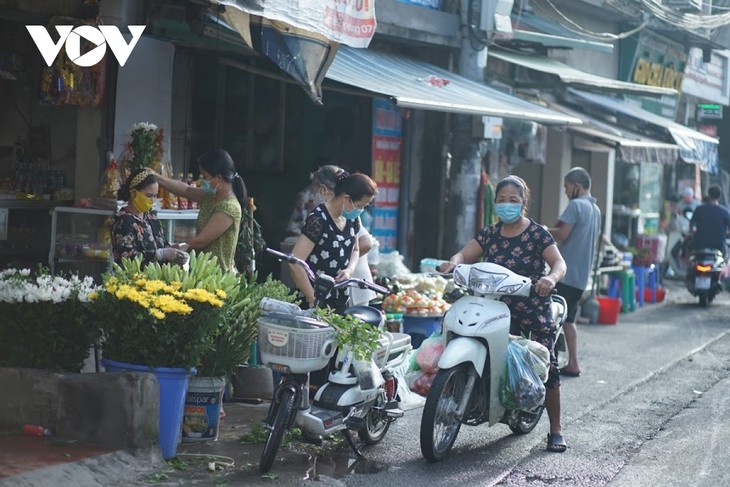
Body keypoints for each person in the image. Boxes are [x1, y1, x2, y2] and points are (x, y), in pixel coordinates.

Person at [437, 175, 568, 453]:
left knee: (549, 367)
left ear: (523, 203)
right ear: (495, 202)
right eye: (502, 200)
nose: (507, 205)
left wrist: (551, 280)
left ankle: (556, 429)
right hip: (494, 306)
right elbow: (465, 254)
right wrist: (454, 262)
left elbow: (558, 263)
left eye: (513, 200)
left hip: (532, 307)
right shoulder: (489, 233)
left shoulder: (537, 234)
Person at [289, 169, 378, 313]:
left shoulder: (352, 218)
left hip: (341, 297)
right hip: (316, 300)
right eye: (360, 205)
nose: (360, 210)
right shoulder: (318, 219)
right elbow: (295, 262)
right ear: (346, 198)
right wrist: (313, 299)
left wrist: (349, 270)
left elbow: (355, 249)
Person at [547, 167, 601, 378]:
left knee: (551, 318)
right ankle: (573, 363)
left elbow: (562, 233)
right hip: (580, 277)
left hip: (565, 274)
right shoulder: (595, 209)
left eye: (567, 187)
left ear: (577, 186)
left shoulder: (576, 205)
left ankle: (548, 362)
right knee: (569, 320)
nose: (566, 191)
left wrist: (539, 228)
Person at [154, 149, 246, 273]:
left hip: (218, 275)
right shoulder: (211, 196)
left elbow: (200, 241)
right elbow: (186, 190)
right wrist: (157, 178)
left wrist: (168, 250)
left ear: (218, 178)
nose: (202, 181)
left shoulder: (229, 207)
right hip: (202, 269)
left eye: (205, 177)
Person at [111, 168, 189, 266]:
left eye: (155, 196)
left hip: (156, 279)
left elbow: (162, 244)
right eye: (149, 195)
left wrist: (175, 252)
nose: (152, 200)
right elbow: (128, 258)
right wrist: (160, 254)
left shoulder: (151, 217)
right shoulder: (122, 221)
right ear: (134, 193)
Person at [689, 185, 730, 257]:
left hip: (699, 244)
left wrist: (693, 232)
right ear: (719, 196)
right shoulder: (724, 212)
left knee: (688, 251)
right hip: (719, 246)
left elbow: (692, 224)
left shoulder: (699, 209)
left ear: (708, 195)